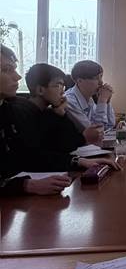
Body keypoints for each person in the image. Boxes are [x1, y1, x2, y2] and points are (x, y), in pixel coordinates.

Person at [0, 45, 119, 197]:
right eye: (7, 70)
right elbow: (28, 158)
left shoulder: (10, 108)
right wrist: (26, 185)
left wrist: (77, 161)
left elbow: (37, 154)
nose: (18, 76)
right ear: (40, 90)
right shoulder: (20, 111)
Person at [24, 63, 103, 152]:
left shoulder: (49, 112)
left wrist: (61, 113)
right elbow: (53, 151)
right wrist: (84, 137)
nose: (63, 92)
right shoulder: (26, 116)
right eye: (58, 85)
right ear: (40, 90)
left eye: (63, 86)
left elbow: (67, 142)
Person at [64, 60, 116, 132]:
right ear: (79, 81)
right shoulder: (69, 101)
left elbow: (109, 126)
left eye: (101, 77)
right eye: (96, 78)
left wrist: (107, 102)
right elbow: (95, 131)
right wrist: (102, 101)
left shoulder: (90, 99)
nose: (101, 82)